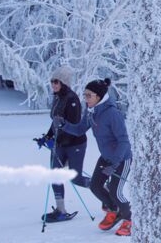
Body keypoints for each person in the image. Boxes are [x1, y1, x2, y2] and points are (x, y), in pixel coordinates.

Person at [57, 78, 133, 237]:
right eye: (84, 95)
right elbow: (79, 130)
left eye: (88, 96)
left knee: (115, 191)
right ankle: (114, 210)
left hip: (121, 158)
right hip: (106, 157)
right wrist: (63, 124)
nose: (85, 98)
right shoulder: (92, 112)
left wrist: (115, 162)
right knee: (95, 186)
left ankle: (129, 219)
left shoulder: (112, 114)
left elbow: (124, 141)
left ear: (99, 97)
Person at [35, 65, 89, 223]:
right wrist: (47, 137)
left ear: (64, 82)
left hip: (75, 144)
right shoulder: (57, 97)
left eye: (56, 81)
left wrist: (56, 140)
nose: (53, 84)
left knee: (76, 178)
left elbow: (74, 128)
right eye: (51, 81)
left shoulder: (72, 100)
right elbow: (56, 123)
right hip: (60, 144)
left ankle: (103, 189)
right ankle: (61, 211)